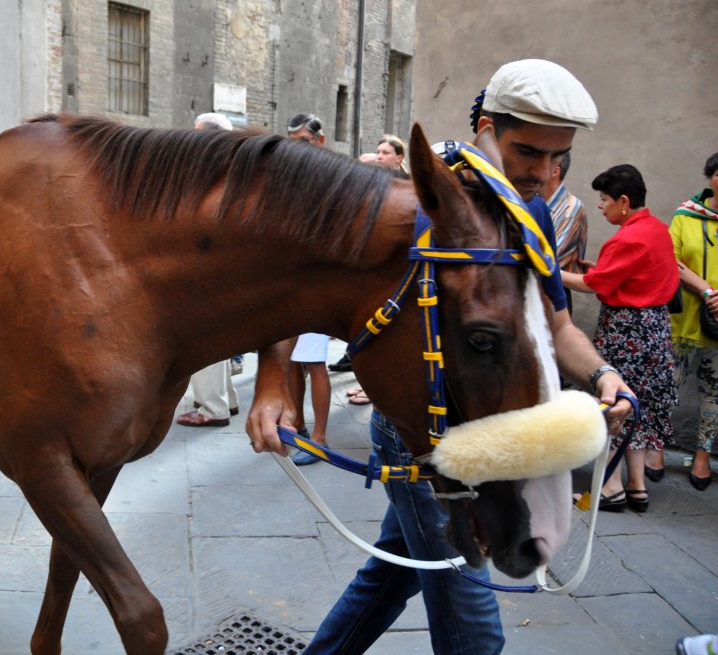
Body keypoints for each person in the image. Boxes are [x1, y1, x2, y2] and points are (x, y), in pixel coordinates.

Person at [246, 59, 635, 655]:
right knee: (474, 631)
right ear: (485, 126)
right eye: (529, 151)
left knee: (392, 573)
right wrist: (273, 381)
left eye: (559, 157)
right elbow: (286, 276)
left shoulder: (529, 213)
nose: (545, 172)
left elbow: (556, 324)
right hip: (419, 434)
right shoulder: (403, 206)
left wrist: (604, 374)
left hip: (487, 427)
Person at [561, 164, 679, 512]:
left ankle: (610, 489)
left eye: (604, 199)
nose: (601, 206)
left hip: (626, 329)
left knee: (611, 404)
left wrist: (552, 270)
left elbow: (594, 285)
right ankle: (636, 486)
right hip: (656, 329)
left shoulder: (627, 237)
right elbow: (633, 273)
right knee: (639, 405)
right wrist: (598, 267)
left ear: (624, 201)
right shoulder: (657, 229)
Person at [175, 112, 240, 428]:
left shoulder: (214, 170)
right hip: (223, 268)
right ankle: (227, 399)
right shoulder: (232, 167)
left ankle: (213, 409)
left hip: (210, 266)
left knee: (203, 339)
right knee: (218, 338)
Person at [335, 136, 412, 399]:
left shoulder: (405, 187)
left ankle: (376, 391)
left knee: (389, 339)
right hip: (369, 272)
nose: (379, 156)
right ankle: (368, 385)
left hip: (394, 276)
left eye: (386, 152)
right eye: (378, 151)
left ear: (400, 158)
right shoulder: (376, 181)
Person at [283, 113, 333, 465]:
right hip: (290, 281)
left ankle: (320, 438)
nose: (294, 149)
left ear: (319, 140)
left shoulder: (329, 180)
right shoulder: (292, 180)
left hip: (318, 282)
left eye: (301, 140)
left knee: (314, 362)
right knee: (288, 359)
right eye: (291, 141)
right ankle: (298, 423)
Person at [667, 151, 718, 491]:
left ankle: (703, 456)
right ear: (710, 177)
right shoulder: (686, 216)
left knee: (712, 394)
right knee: (668, 385)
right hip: (684, 318)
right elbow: (670, 261)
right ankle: (654, 448)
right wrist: (706, 290)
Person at [542, 152, 587, 313]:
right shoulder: (531, 199)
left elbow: (547, 262)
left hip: (550, 298)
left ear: (555, 171)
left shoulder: (570, 210)